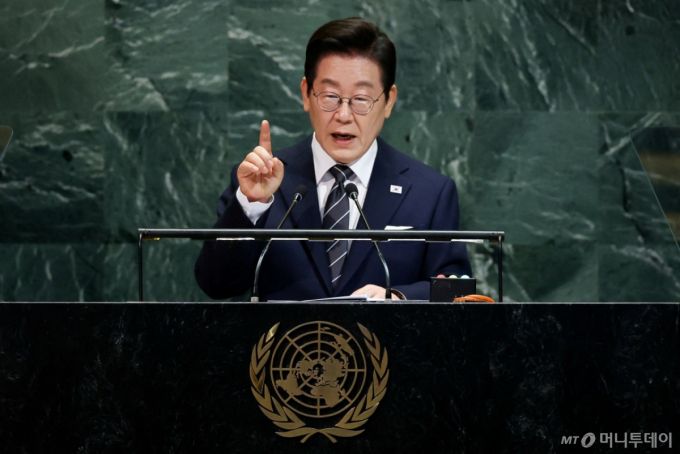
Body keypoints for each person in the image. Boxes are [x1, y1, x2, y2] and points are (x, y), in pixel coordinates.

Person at [195, 17, 471, 301]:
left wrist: (398, 298)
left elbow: (458, 291)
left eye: (361, 99)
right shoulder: (262, 181)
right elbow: (216, 284)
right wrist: (252, 205)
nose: (343, 115)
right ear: (306, 94)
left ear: (389, 101)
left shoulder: (429, 192)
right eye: (330, 96)